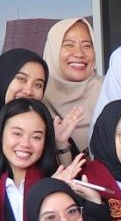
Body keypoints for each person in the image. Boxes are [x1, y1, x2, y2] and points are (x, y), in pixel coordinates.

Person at [0, 48, 48, 176]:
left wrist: (62, 145)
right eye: (22, 79)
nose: (29, 91)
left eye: (38, 85)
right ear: (2, 79)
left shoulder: (46, 130)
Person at [38, 17, 102, 158]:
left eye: (87, 45)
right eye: (69, 45)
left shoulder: (110, 92)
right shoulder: (38, 98)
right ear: (53, 50)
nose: (79, 53)